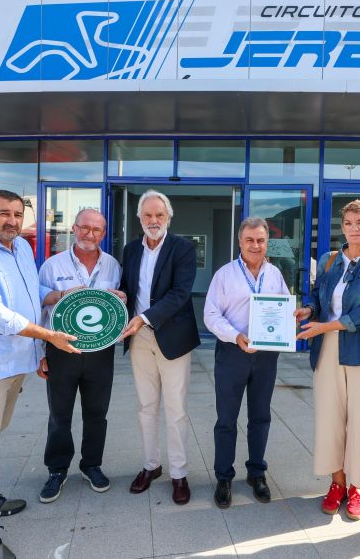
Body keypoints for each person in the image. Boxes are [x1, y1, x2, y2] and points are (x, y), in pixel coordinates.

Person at [0, 189, 81, 558]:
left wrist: (58, 296)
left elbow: (28, 292)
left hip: (14, 365)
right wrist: (49, 337)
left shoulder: (21, 247)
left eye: (18, 214)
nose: (12, 221)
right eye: (4, 213)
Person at [294, 199, 360, 521]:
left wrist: (326, 326)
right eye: (348, 223)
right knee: (329, 419)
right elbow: (318, 296)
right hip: (327, 347)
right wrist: (309, 309)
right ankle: (336, 483)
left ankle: (356, 488)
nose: (354, 229)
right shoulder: (330, 260)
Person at [36, 208, 126, 502]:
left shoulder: (113, 266)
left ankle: (91, 465)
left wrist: (123, 298)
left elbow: (117, 308)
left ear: (103, 233)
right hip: (61, 350)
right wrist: (40, 353)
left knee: (97, 414)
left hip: (101, 352)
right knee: (59, 415)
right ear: (74, 229)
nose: (90, 234)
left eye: (96, 229)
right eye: (84, 227)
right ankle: (57, 470)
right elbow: (39, 310)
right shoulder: (52, 265)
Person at [118, 190, 201, 505]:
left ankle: (179, 473)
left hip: (173, 338)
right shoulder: (130, 250)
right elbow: (129, 288)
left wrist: (144, 318)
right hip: (139, 339)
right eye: (148, 215)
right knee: (146, 406)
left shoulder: (183, 248)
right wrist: (121, 298)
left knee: (176, 409)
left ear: (168, 218)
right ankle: (151, 466)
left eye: (159, 215)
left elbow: (180, 293)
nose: (153, 220)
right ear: (139, 218)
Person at [204, 217, 290, 509]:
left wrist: (289, 323)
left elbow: (283, 308)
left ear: (267, 243)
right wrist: (236, 336)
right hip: (232, 352)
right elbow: (211, 315)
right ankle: (224, 477)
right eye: (250, 240)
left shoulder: (275, 274)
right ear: (240, 242)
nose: (255, 245)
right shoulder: (225, 275)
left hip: (266, 355)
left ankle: (256, 473)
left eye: (261, 240)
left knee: (261, 416)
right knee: (226, 419)